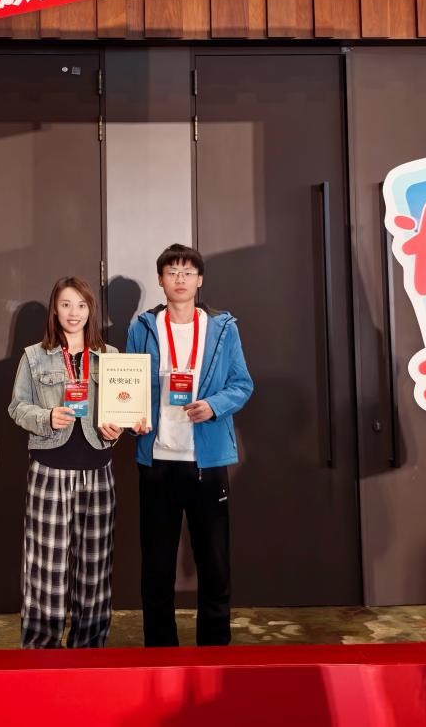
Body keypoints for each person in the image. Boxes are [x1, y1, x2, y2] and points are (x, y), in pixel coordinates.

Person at [126, 243, 253, 647]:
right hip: (157, 460)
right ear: (160, 280)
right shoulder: (143, 327)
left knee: (214, 563)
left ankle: (214, 653)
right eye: (172, 272)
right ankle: (160, 652)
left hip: (206, 461)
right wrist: (131, 419)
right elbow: (127, 385)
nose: (179, 279)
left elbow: (242, 384)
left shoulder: (223, 328)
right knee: (156, 566)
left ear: (199, 280)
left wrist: (214, 406)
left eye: (187, 272)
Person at [8, 276, 126, 648]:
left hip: (98, 472)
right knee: (45, 569)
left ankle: (89, 650)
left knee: (95, 568)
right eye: (65, 305)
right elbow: (17, 407)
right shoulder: (34, 356)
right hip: (49, 472)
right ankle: (41, 650)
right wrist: (46, 417)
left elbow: (122, 410)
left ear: (91, 311)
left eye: (81, 305)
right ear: (54, 310)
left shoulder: (110, 356)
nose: (73, 313)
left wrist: (117, 429)